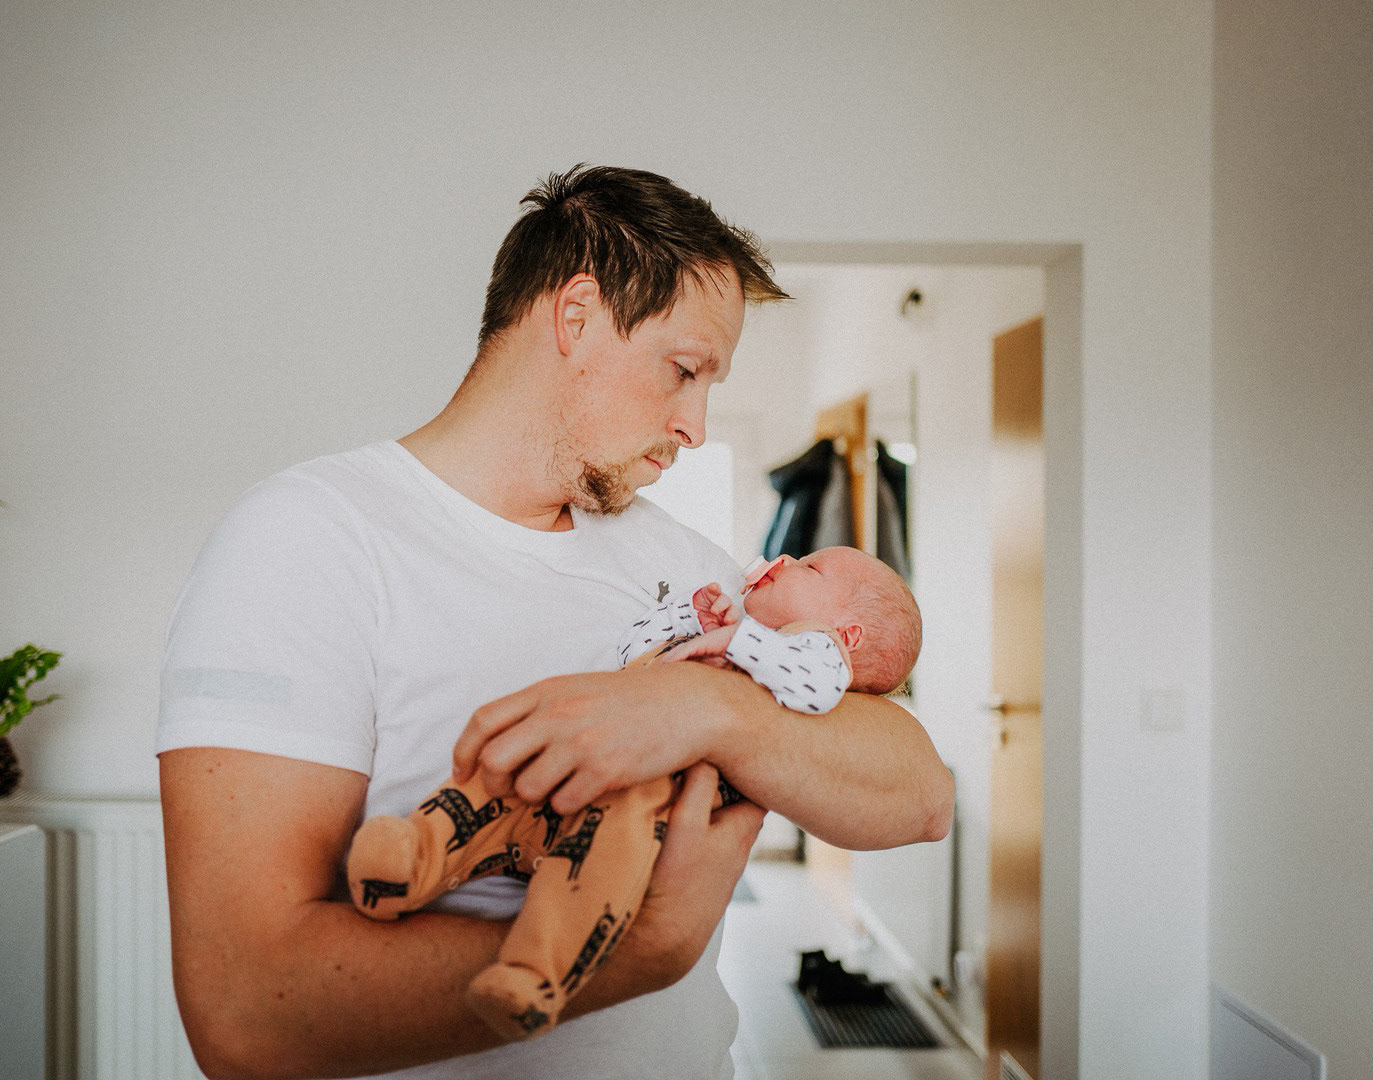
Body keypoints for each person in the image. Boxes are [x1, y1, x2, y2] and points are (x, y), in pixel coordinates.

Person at [157, 164, 953, 1080]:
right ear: (576, 315)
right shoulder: (308, 542)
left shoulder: (693, 571)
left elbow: (922, 795)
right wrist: (645, 948)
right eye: (684, 370)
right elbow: (245, 1014)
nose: (695, 426)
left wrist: (706, 710)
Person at [344, 546, 922, 1041]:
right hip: (571, 767)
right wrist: (685, 617)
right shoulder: (737, 626)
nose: (788, 559)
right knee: (493, 788)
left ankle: (533, 974)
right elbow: (630, 655)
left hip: (641, 804)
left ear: (848, 634)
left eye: (812, 569)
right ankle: (413, 858)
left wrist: (738, 640)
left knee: (595, 874)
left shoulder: (814, 649)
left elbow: (816, 687)